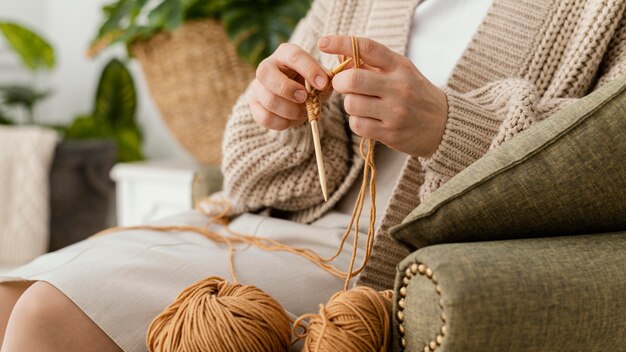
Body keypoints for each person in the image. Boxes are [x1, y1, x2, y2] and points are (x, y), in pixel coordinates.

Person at [1, 0, 624, 351]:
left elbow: (607, 154)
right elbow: (255, 175)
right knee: (6, 302)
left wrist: (448, 124)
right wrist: (277, 112)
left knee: (45, 318)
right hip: (267, 222)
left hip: (380, 258)